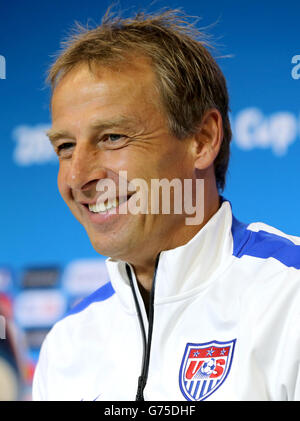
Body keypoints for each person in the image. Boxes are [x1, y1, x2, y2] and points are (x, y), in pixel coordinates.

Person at [32, 9, 300, 401]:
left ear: (202, 139)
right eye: (66, 147)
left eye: (112, 137)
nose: (77, 177)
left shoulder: (289, 297)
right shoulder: (67, 344)